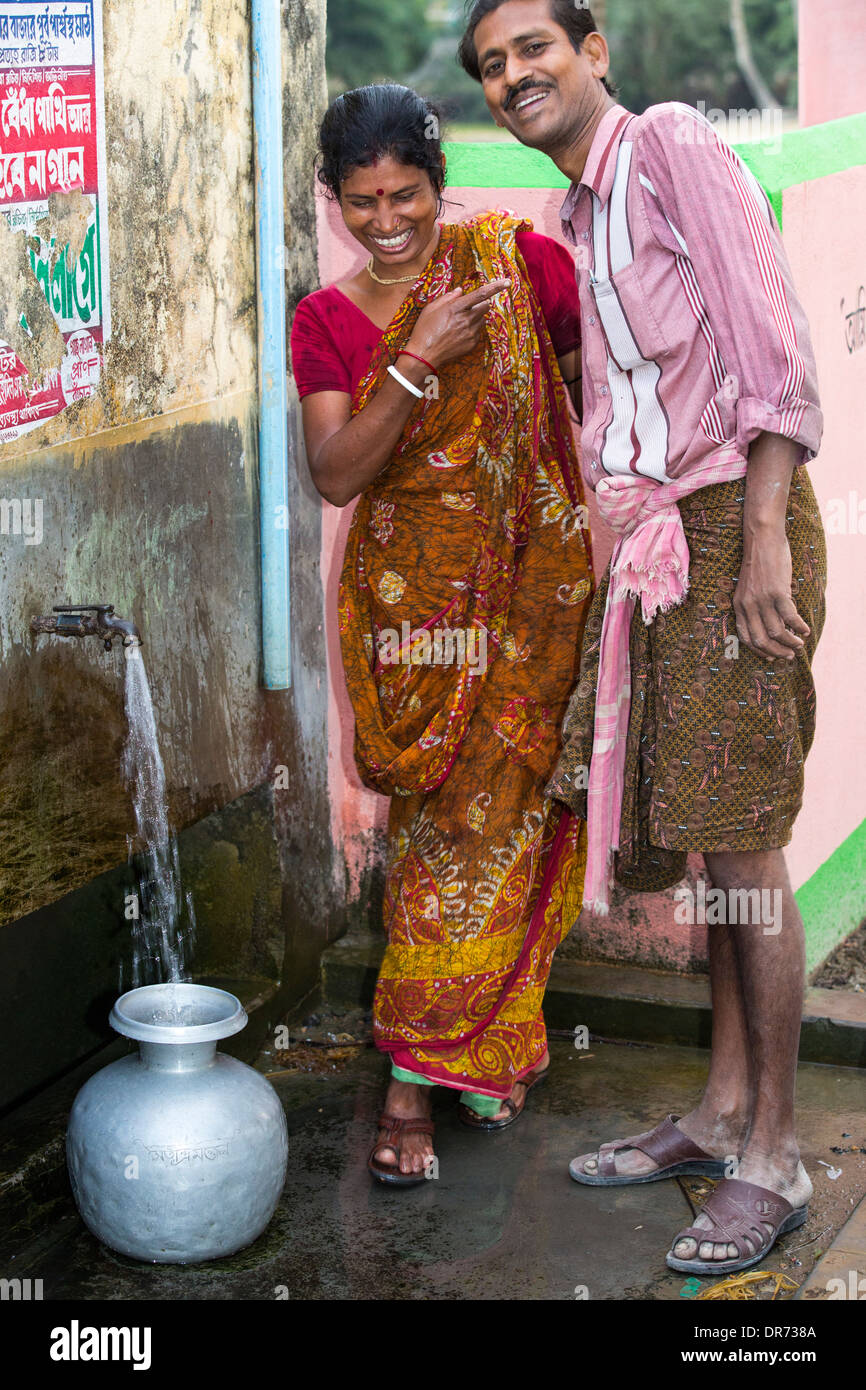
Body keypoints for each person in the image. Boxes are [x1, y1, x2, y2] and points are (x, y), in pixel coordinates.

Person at [459, 1, 826, 1274]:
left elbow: (771, 347)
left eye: (532, 51)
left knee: (744, 840)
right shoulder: (577, 213)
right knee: (708, 834)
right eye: (492, 67)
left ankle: (775, 1154)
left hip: (733, 524)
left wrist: (765, 538)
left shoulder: (667, 143)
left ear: (593, 49)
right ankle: (722, 1109)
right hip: (664, 548)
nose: (513, 77)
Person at [291, 84, 593, 1185]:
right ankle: (413, 1076)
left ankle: (483, 1051)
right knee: (430, 849)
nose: (386, 223)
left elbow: (576, 405)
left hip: (530, 603)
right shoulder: (324, 320)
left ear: (437, 183)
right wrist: (416, 359)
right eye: (362, 203)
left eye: (406, 198)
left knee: (512, 825)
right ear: (333, 200)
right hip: (410, 625)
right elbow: (336, 474)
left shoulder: (517, 267)